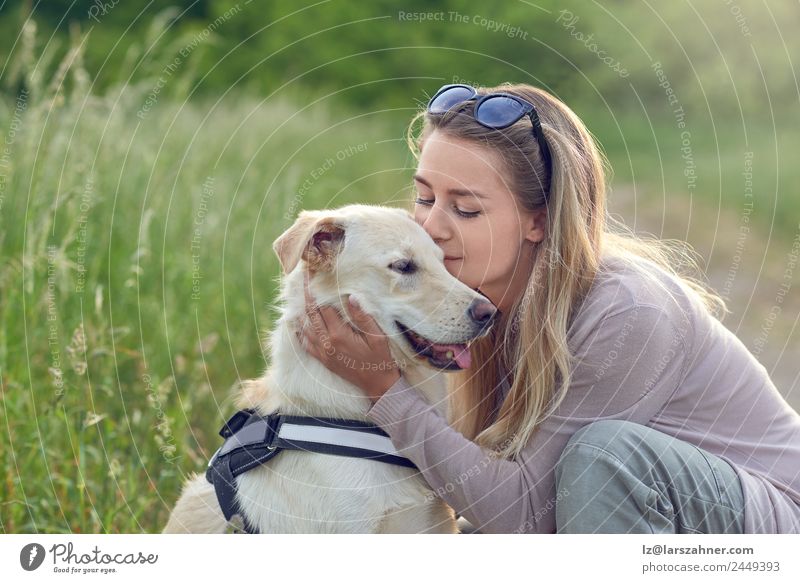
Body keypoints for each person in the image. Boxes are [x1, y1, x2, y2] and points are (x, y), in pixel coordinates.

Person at [295, 83, 800, 533]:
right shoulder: (476, 303)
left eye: (466, 209)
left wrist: (386, 391)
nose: (431, 228)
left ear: (538, 221)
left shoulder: (628, 314)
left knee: (603, 456)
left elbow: (529, 519)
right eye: (425, 198)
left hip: (770, 528)